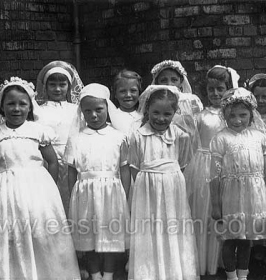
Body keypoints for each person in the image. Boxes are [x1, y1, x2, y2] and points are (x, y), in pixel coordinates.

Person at [0, 77, 81, 279]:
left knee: (41, 232)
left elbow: (52, 161)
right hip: (5, 190)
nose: (16, 108)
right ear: (1, 106)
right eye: (10, 103)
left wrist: (50, 188)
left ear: (30, 106)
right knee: (11, 234)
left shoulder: (38, 131)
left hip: (37, 188)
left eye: (22, 104)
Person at [127, 85, 199, 280]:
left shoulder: (180, 135)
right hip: (146, 187)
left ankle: (174, 270)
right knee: (149, 228)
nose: (161, 118)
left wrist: (171, 182)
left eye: (167, 114)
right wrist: (144, 189)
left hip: (173, 186)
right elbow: (134, 166)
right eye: (156, 112)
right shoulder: (137, 136)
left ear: (175, 113)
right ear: (147, 109)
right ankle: (149, 273)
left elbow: (182, 163)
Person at [64, 83, 130, 280]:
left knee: (110, 235)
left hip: (112, 192)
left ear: (107, 109)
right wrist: (72, 197)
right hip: (84, 193)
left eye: (99, 109)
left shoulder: (119, 137)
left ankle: (108, 274)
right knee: (88, 238)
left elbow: (124, 169)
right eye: (88, 111)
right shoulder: (76, 138)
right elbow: (71, 172)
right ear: (82, 112)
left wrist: (124, 195)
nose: (93, 115)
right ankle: (94, 273)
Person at [184, 65, 240, 275]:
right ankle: (202, 260)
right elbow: (190, 140)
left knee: (224, 211)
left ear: (229, 88)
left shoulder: (232, 116)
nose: (215, 94)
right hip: (202, 165)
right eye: (211, 90)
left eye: (220, 89)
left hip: (225, 165)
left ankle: (223, 260)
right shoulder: (201, 116)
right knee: (204, 211)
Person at [210, 87, 266, 280]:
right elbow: (214, 175)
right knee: (231, 239)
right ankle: (231, 276)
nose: (237, 120)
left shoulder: (259, 137)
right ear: (224, 115)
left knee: (246, 240)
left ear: (251, 114)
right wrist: (216, 204)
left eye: (243, 115)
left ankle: (243, 275)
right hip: (232, 196)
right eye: (231, 116)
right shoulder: (220, 138)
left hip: (254, 195)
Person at [36, 60, 84, 214]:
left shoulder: (77, 109)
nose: (57, 89)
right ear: (45, 86)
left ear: (69, 87)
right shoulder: (38, 110)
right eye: (52, 85)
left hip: (72, 159)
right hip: (48, 160)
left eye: (62, 84)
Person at [111, 69, 143, 135]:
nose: (128, 95)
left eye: (133, 90)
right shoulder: (112, 116)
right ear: (115, 94)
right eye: (122, 91)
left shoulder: (144, 114)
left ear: (139, 92)